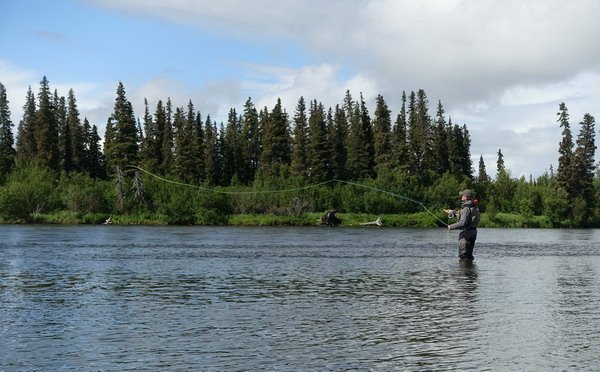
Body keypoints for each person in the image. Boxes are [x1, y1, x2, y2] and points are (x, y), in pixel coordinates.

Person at [444, 189, 480, 260]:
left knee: (463, 256)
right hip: (473, 232)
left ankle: (464, 271)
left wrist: (450, 227)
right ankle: (470, 271)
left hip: (466, 233)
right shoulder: (473, 206)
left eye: (462, 196)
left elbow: (463, 223)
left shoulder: (466, 207)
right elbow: (465, 215)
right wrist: (453, 212)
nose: (461, 197)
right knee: (469, 256)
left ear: (466, 197)